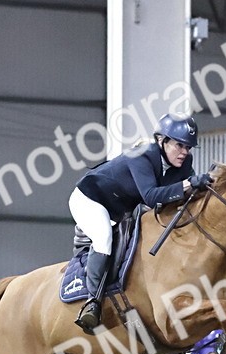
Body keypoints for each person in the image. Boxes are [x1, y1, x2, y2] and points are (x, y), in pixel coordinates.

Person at [68, 113, 212, 333]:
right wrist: (188, 183)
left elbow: (183, 196)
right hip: (91, 199)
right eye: (179, 145)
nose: (184, 152)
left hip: (120, 209)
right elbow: (151, 197)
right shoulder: (142, 155)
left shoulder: (184, 162)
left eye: (188, 147)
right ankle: (92, 302)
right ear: (162, 141)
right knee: (103, 238)